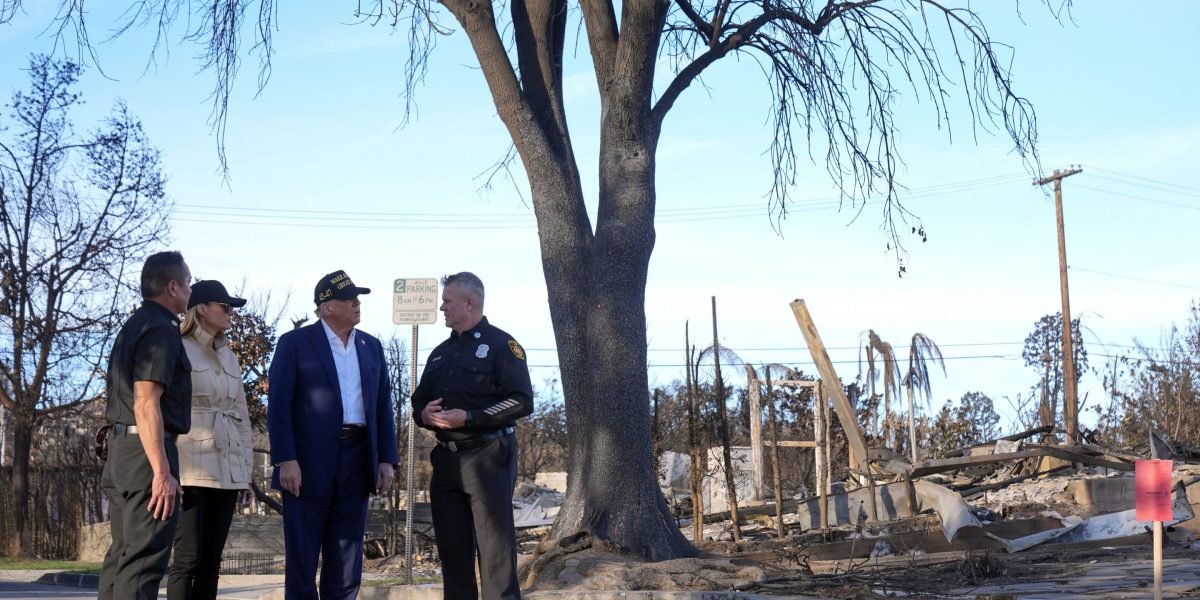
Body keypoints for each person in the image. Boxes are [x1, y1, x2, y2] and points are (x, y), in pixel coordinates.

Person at [268, 269, 398, 600]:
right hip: (307, 463)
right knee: (303, 554)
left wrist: (386, 459)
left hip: (357, 458)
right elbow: (279, 405)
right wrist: (286, 459)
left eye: (358, 299)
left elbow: (383, 407)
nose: (357, 304)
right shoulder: (295, 344)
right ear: (326, 307)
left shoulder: (371, 346)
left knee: (347, 555)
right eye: (349, 299)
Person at [412, 272, 533, 600]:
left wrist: (471, 417)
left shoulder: (501, 345)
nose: (441, 307)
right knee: (453, 553)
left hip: (488, 456)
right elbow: (418, 401)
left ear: (470, 302)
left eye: (447, 301)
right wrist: (423, 415)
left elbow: (522, 401)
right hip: (446, 461)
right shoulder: (439, 354)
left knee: (495, 555)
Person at [99, 250, 193, 600]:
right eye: (187, 283)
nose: (190, 289)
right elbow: (145, 401)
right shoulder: (161, 331)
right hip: (145, 454)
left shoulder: (134, 325)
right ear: (172, 287)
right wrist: (161, 473)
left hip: (121, 451)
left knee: (122, 557)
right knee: (142, 563)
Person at [167, 280, 254, 600]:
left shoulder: (230, 357)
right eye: (225, 307)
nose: (231, 313)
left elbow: (241, 417)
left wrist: (245, 474)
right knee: (186, 559)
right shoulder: (178, 347)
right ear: (201, 308)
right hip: (189, 466)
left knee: (211, 562)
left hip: (227, 467)